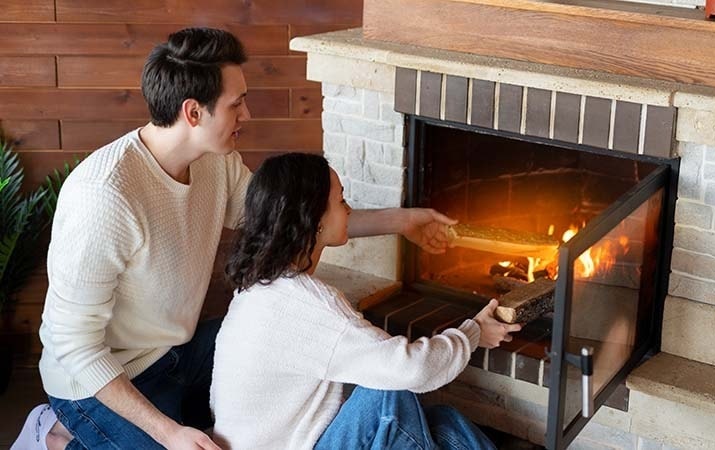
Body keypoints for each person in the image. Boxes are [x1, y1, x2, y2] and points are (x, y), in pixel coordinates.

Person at [12, 27, 460, 450]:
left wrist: (404, 221)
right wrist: (169, 433)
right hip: (97, 382)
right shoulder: (104, 197)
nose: (246, 115)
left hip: (178, 351)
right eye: (236, 104)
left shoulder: (215, 161)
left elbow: (295, 222)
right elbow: (76, 347)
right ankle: (52, 435)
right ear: (193, 112)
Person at [210, 153, 522, 450]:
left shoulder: (261, 288)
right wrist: (473, 332)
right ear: (314, 218)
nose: (348, 210)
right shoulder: (306, 303)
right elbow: (410, 369)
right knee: (387, 395)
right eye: (341, 200)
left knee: (443, 421)